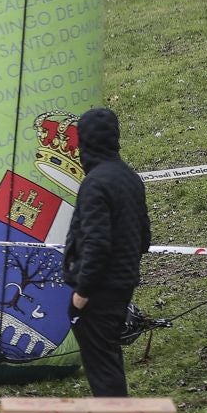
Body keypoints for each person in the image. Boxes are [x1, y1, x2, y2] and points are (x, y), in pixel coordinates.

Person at [62, 107, 152, 398]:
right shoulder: (130, 178)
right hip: (123, 282)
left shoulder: (95, 183)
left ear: (83, 143)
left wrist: (82, 292)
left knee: (102, 367)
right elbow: (144, 237)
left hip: (99, 288)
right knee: (109, 358)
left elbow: (96, 244)